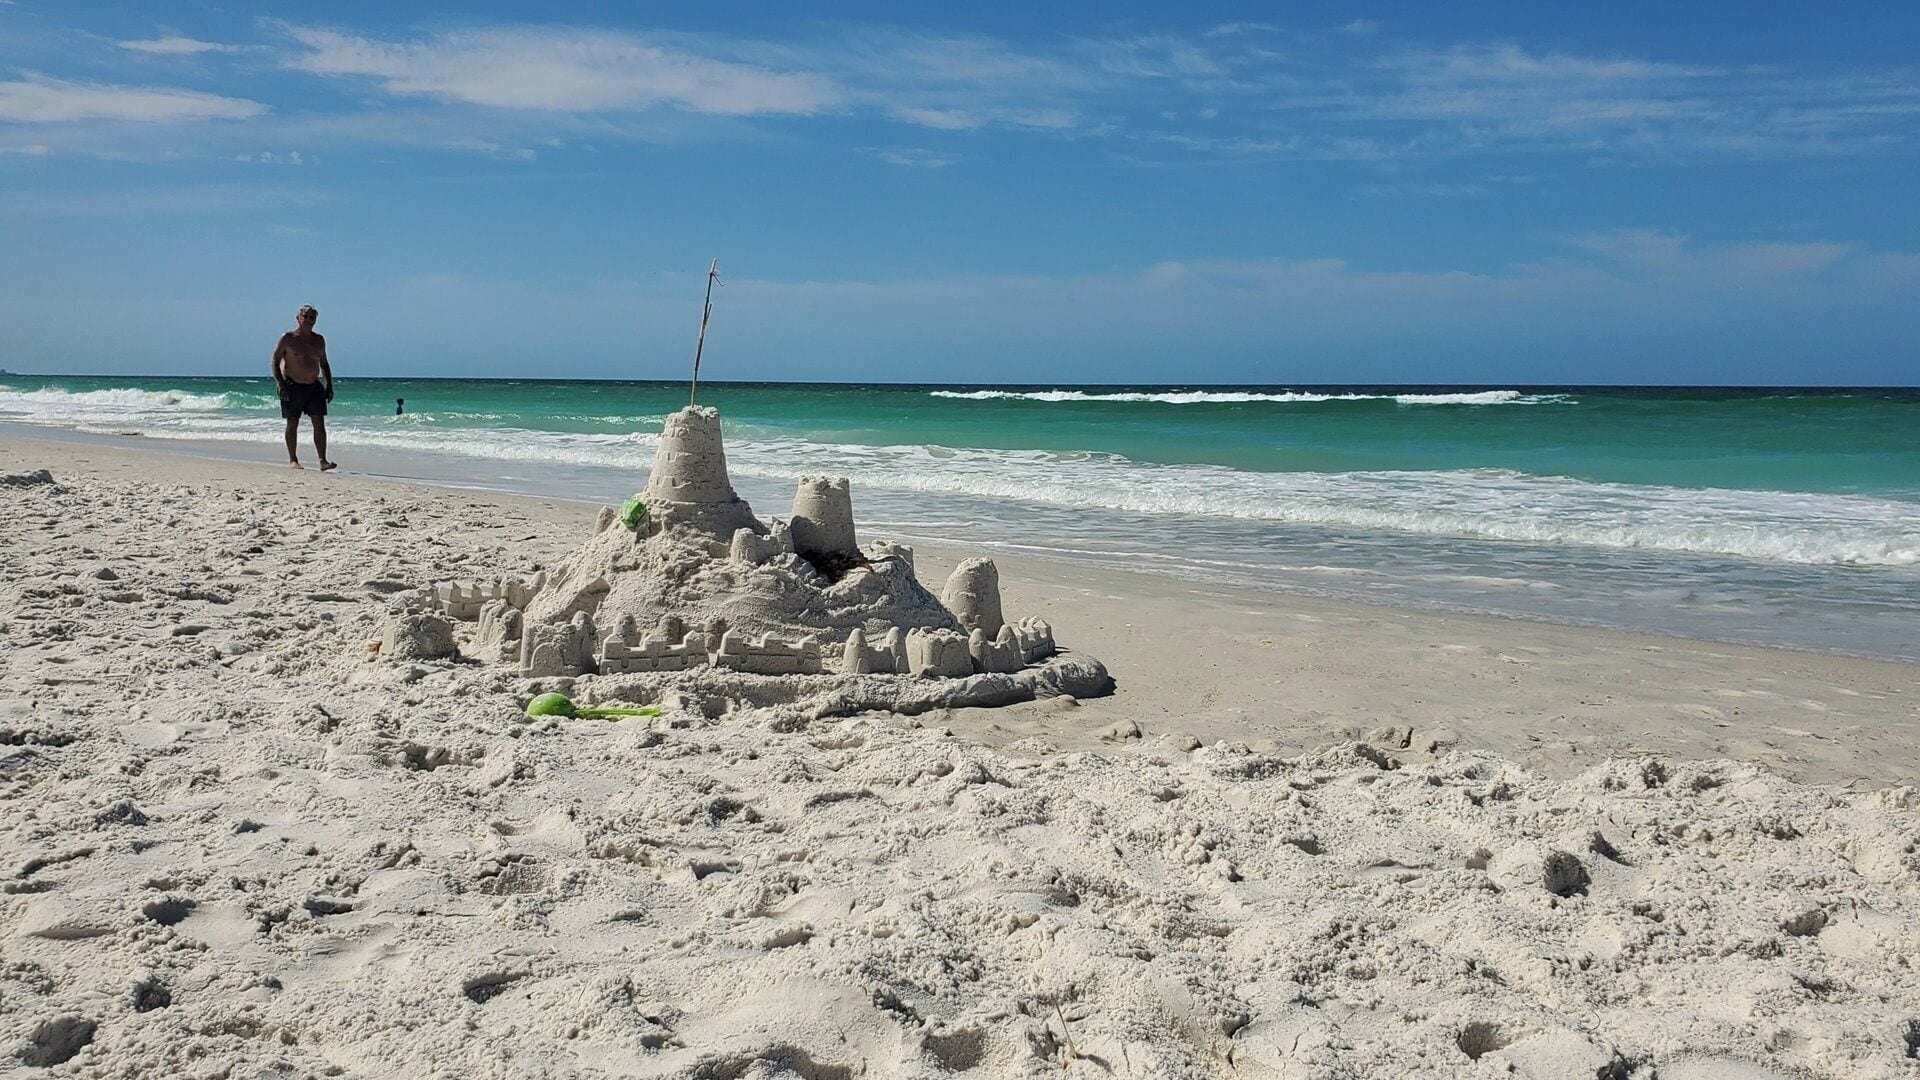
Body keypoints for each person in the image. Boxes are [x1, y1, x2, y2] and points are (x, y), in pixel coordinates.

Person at [272, 305, 336, 470]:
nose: (308, 320)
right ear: (298, 318)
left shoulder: (319, 340)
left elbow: (324, 364)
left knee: (319, 422)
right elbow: (275, 360)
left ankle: (323, 460)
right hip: (292, 385)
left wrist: (329, 385)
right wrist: (280, 383)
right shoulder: (288, 338)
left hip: (314, 386)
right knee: (292, 422)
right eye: (306, 316)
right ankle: (293, 460)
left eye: (312, 318)